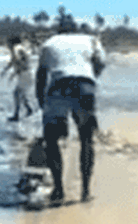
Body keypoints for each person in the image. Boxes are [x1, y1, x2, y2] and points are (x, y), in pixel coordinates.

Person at [36, 20, 105, 204]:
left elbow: (41, 75)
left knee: (51, 140)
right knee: (86, 139)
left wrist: (42, 103)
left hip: (58, 86)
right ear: (76, 30)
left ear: (58, 31)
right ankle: (85, 191)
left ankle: (58, 190)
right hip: (85, 87)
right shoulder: (91, 40)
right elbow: (101, 63)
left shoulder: (49, 43)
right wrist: (90, 77)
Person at [1, 36, 35, 121]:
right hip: (27, 73)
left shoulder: (16, 48)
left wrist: (14, 73)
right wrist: (6, 70)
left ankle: (17, 115)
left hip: (24, 73)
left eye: (7, 43)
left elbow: (18, 60)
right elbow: (13, 61)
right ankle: (29, 110)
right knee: (22, 94)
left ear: (11, 42)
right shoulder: (18, 48)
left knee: (16, 93)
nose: (6, 45)